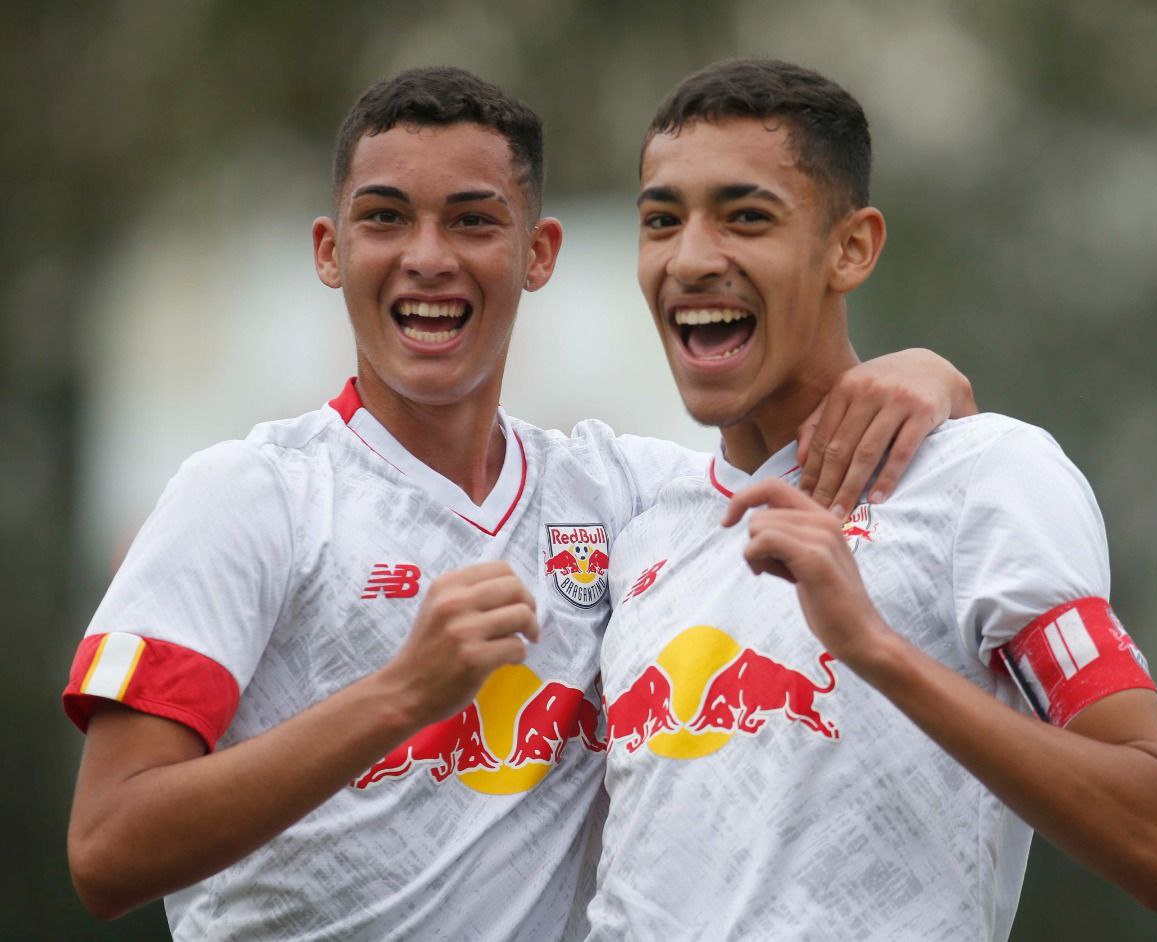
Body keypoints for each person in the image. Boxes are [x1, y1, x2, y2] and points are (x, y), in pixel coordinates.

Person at [62, 67, 974, 939]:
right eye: (385, 219)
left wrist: (931, 376)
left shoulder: (622, 497)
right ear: (329, 252)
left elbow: (793, 455)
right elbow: (106, 850)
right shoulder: (249, 496)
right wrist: (398, 696)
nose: (427, 258)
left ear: (538, 254)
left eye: (472, 222)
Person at [588, 58, 1157, 941]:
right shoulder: (641, 526)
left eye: (747, 218)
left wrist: (872, 648)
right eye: (661, 221)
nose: (690, 258)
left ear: (852, 247)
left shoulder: (986, 476)